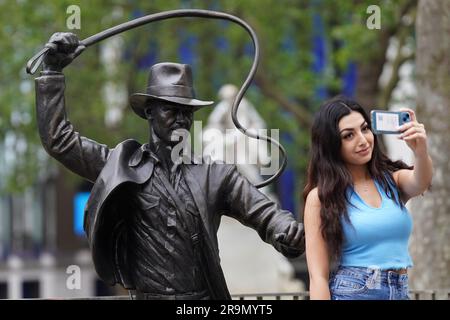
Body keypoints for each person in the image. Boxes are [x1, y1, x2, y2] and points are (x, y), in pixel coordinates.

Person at [35, 32, 305, 300]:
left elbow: (264, 212)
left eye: (187, 112)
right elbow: (60, 140)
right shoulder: (121, 166)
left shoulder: (214, 174)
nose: (181, 119)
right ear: (150, 112)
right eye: (171, 110)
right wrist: (52, 73)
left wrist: (286, 230)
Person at [303, 96, 433, 300]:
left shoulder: (392, 182)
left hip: (400, 291)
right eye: (348, 136)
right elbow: (317, 275)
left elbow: (421, 181)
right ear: (331, 144)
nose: (363, 140)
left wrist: (420, 151)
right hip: (355, 291)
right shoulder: (321, 198)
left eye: (364, 129)